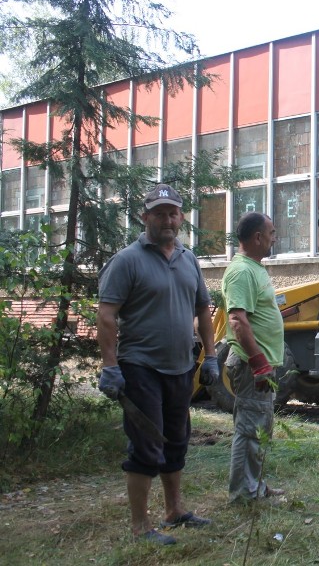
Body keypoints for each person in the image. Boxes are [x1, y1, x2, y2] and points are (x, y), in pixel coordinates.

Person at [96, 184, 219, 545]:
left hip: (181, 367)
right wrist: (110, 366)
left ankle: (175, 510)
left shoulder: (188, 259)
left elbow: (202, 310)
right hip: (140, 367)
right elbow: (106, 315)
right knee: (147, 446)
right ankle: (139, 527)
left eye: (173, 213)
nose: (167, 219)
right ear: (144, 216)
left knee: (177, 441)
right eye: (159, 213)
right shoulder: (127, 260)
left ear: (181, 218)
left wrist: (210, 357)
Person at [222, 212, 286, 504]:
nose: (275, 238)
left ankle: (255, 486)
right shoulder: (242, 272)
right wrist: (259, 363)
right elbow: (237, 320)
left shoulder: (255, 268)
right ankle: (244, 494)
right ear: (258, 237)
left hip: (260, 365)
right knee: (249, 430)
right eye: (271, 233)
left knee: (259, 426)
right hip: (251, 366)